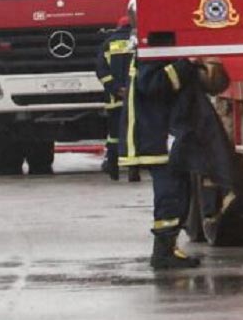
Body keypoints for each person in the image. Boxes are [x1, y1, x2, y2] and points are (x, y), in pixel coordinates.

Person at [122, 43, 233, 270]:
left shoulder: (159, 52)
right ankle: (162, 252)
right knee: (170, 193)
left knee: (180, 190)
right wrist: (187, 63)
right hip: (155, 136)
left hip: (163, 134)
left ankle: (168, 248)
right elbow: (154, 85)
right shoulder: (151, 53)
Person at [95, 15, 135, 181]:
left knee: (114, 135)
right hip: (134, 97)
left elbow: (101, 71)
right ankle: (134, 170)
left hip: (114, 99)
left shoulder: (107, 44)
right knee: (133, 134)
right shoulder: (136, 43)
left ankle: (113, 168)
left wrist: (115, 88)